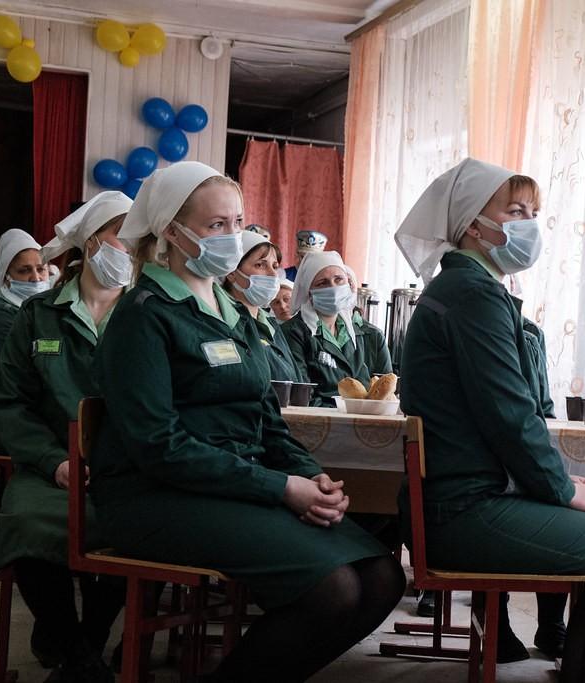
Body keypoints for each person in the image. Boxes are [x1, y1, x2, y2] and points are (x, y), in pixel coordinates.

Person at [91, 161, 403, 681]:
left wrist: (310, 474)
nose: (232, 236)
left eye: (237, 222)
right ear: (173, 231)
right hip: (155, 496)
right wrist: (280, 488)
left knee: (383, 577)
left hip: (234, 486)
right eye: (216, 225)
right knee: (333, 589)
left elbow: (267, 420)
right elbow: (159, 445)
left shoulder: (233, 314)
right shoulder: (143, 315)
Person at [396, 158, 585, 683]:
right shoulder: (473, 295)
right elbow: (510, 417)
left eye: (534, 213)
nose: (530, 225)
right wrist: (561, 490)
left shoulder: (468, 288)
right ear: (473, 224)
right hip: (464, 509)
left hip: (461, 498)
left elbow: (506, 416)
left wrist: (563, 484)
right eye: (516, 211)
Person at [0, 192, 133, 681]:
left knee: (138, 527)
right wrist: (55, 461)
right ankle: (79, 655)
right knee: (25, 525)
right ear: (91, 243)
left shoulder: (145, 314)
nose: (132, 249)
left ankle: (83, 647)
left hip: (125, 469)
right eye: (122, 237)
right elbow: (9, 403)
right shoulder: (38, 315)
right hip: (50, 467)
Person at [0, 229, 49, 507]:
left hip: (34, 405)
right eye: (24, 271)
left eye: (40, 268)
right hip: (10, 416)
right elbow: (35, 369)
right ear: (6, 276)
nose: (36, 278)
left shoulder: (33, 309)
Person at [282, 252, 387, 406]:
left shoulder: (364, 333)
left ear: (348, 283)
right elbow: (302, 396)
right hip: (319, 418)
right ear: (309, 292)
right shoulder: (293, 333)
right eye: (322, 283)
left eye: (338, 279)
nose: (333, 287)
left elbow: (383, 392)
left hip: (363, 417)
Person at [223, 230, 303, 383]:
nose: (273, 275)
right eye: (260, 265)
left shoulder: (270, 324)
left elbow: (296, 379)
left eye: (275, 266)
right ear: (232, 272)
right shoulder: (224, 322)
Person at [343, 265, 392, 375]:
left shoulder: (374, 336)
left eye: (348, 283)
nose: (339, 290)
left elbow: (385, 381)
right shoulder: (315, 331)